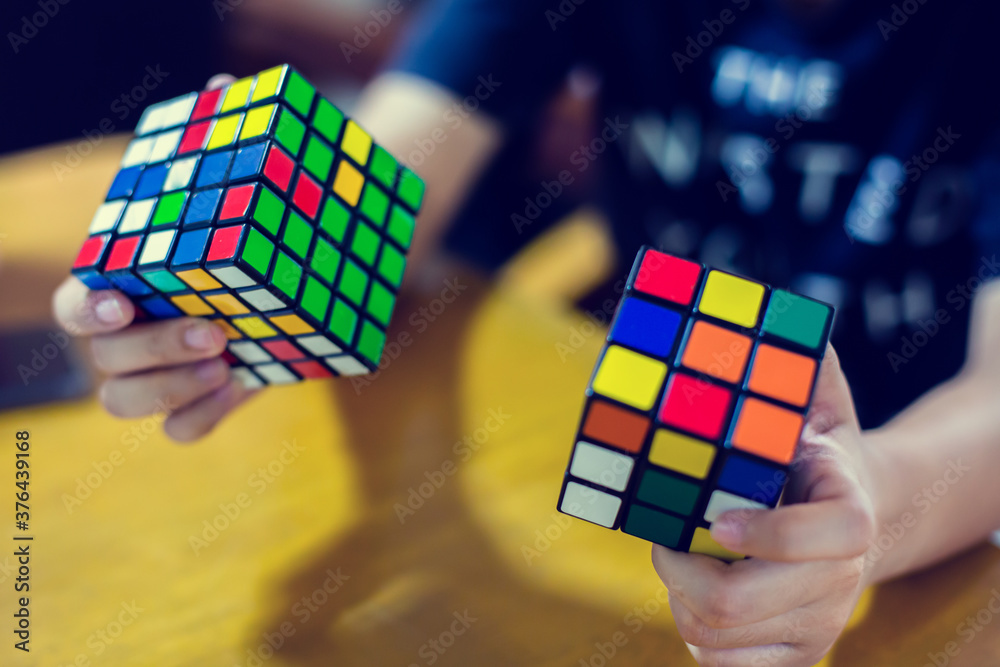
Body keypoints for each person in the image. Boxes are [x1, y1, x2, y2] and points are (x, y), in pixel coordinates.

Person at [52, 1, 1000, 664]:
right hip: (653, 472)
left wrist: (872, 499)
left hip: (948, 528)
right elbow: (381, 192)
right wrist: (214, 280)